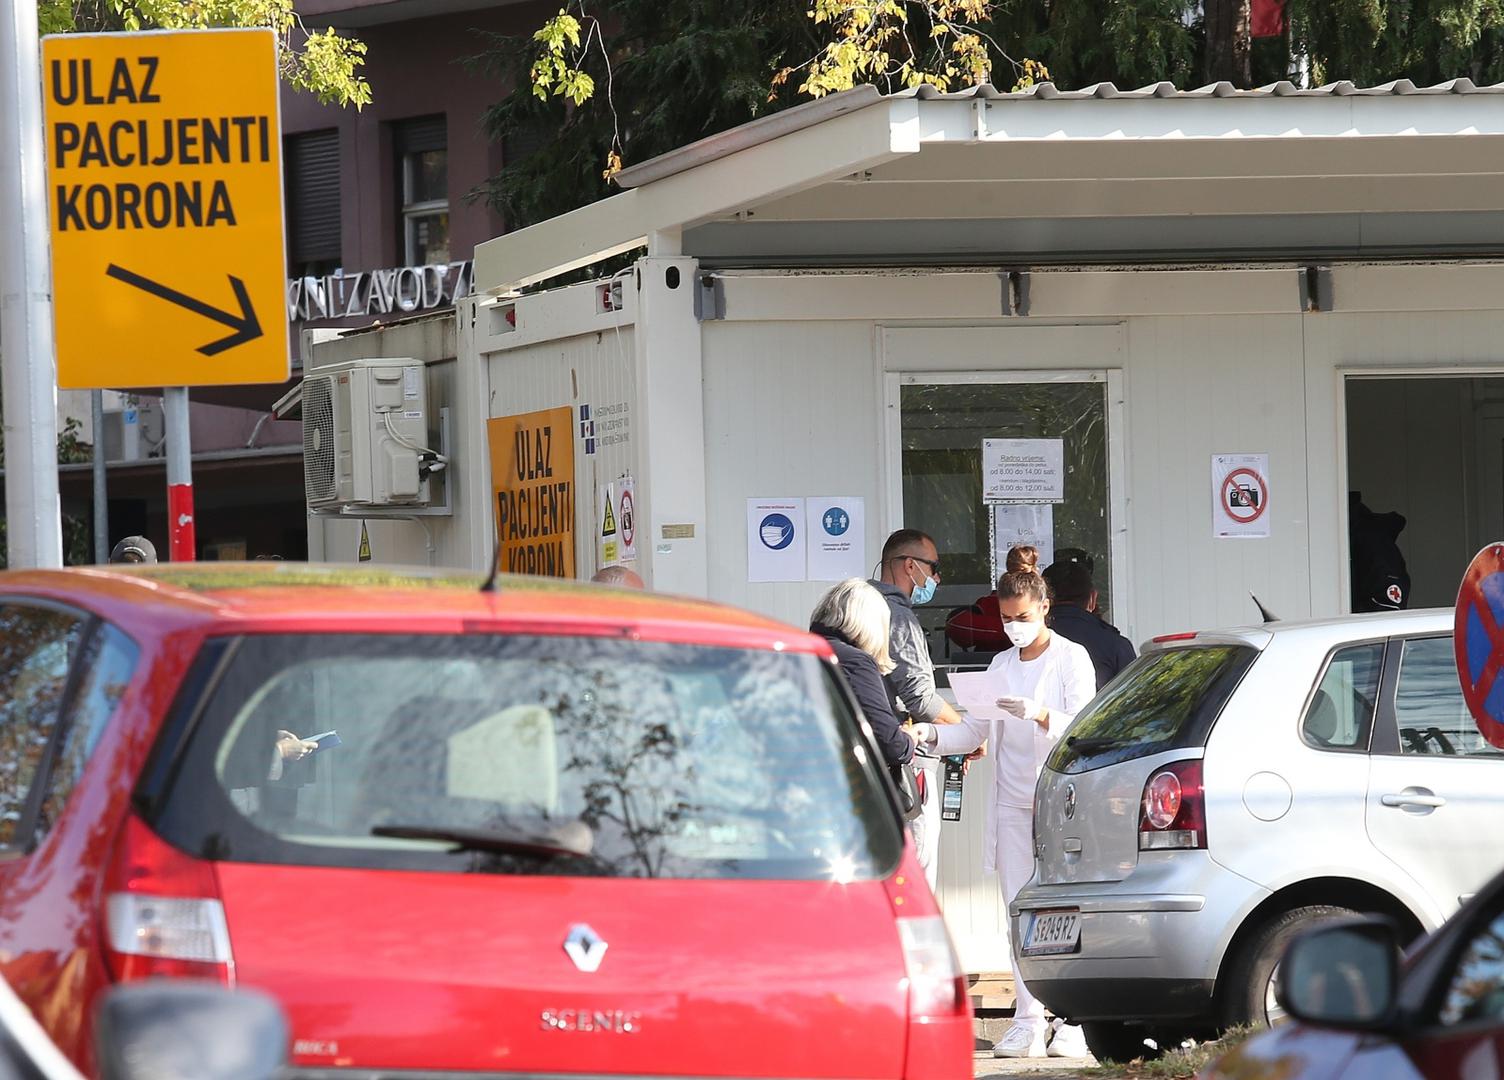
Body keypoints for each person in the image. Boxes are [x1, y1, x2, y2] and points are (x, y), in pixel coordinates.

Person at [911, 553, 1095, 1059]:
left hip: (1060, 801)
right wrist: (926, 733)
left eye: (1023, 617)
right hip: (1012, 803)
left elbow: (1084, 730)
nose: (1014, 627)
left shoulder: (1070, 658)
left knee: (1064, 905)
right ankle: (1028, 1017)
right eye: (1007, 619)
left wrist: (1039, 714)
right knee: (1019, 908)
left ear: (1044, 608)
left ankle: (1073, 1020)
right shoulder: (999, 664)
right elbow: (975, 731)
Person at [870, 528, 965, 889]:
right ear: (911, 566)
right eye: (934, 567)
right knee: (916, 871)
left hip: (867, 759)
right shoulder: (898, 615)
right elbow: (921, 700)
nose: (937, 579)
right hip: (906, 761)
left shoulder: (852, 607)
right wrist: (966, 733)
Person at [809, 579, 917, 772]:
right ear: (872, 625)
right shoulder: (856, 662)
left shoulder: (798, 653)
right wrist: (909, 739)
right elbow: (891, 744)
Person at [1041, 557, 1136, 690]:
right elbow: (1132, 700)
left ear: (1042, 601)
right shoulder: (1116, 645)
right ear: (1092, 599)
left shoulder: (1026, 643)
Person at [944, 545, 1044, 654]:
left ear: (1045, 608)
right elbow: (956, 624)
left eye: (1023, 616)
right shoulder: (990, 603)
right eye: (1005, 617)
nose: (1014, 624)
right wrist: (1007, 630)